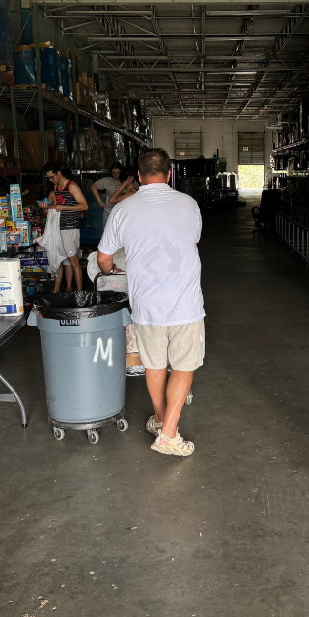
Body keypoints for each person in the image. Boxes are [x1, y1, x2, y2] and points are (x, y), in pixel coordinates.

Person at [97, 148, 205, 458]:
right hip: (185, 301)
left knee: (154, 364)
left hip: (146, 303)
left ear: (139, 177)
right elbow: (192, 240)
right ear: (170, 174)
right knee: (183, 366)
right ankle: (168, 432)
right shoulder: (189, 204)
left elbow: (104, 258)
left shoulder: (124, 209)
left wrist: (112, 270)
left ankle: (160, 420)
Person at [43, 163, 89, 293]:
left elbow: (84, 206)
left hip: (70, 228)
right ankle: (65, 289)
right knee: (62, 260)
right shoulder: (56, 188)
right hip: (59, 228)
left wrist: (64, 208)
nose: (51, 180)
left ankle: (80, 292)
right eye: (49, 178)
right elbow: (56, 205)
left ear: (58, 173)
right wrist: (47, 207)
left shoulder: (72, 186)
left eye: (52, 177)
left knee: (73, 261)